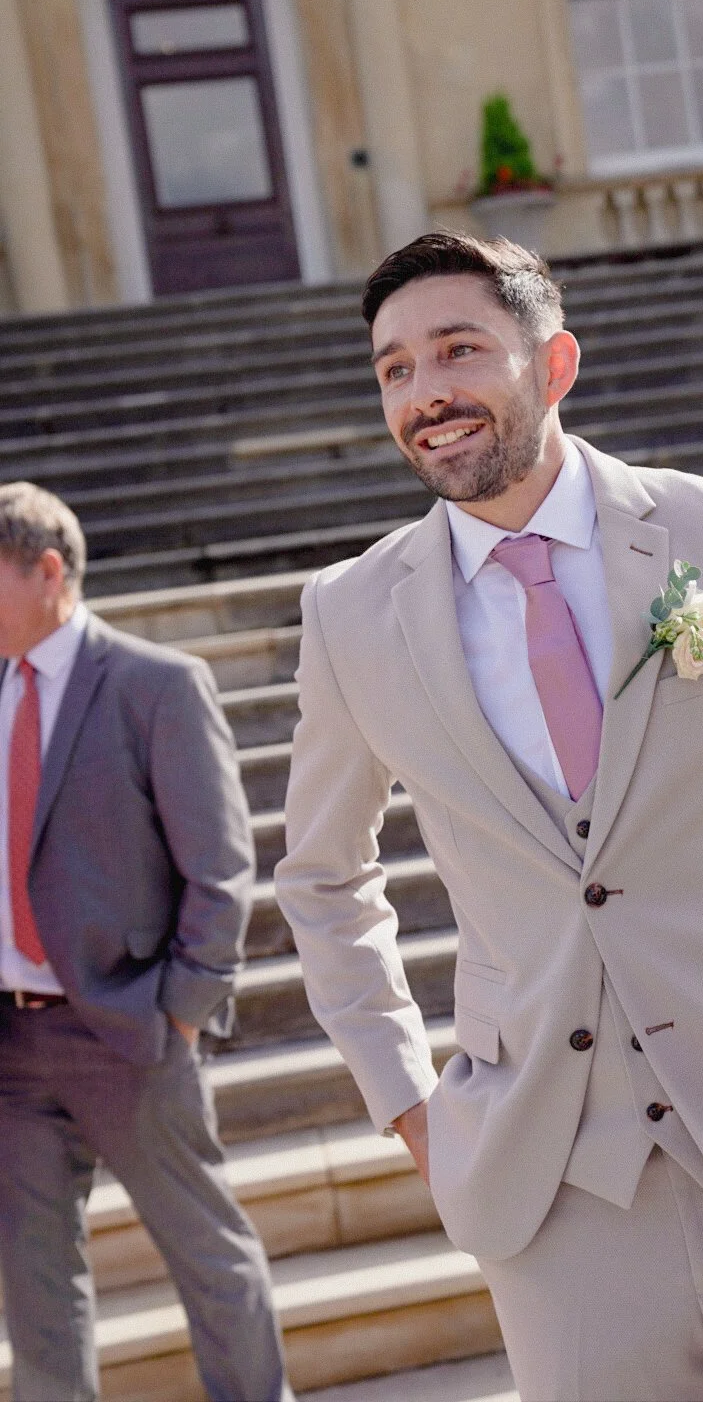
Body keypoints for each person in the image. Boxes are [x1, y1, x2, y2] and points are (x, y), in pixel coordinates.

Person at [275, 231, 703, 1402]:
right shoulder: (351, 614)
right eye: (393, 369)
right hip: (552, 1184)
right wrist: (411, 1103)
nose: (426, 393)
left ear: (556, 361)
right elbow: (324, 878)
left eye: (458, 351)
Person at [0, 482, 291, 1402]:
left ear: (48, 572)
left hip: (128, 1032)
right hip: (10, 1049)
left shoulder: (155, 685)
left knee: (210, 1259)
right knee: (36, 1288)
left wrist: (183, 1011)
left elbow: (220, 864)